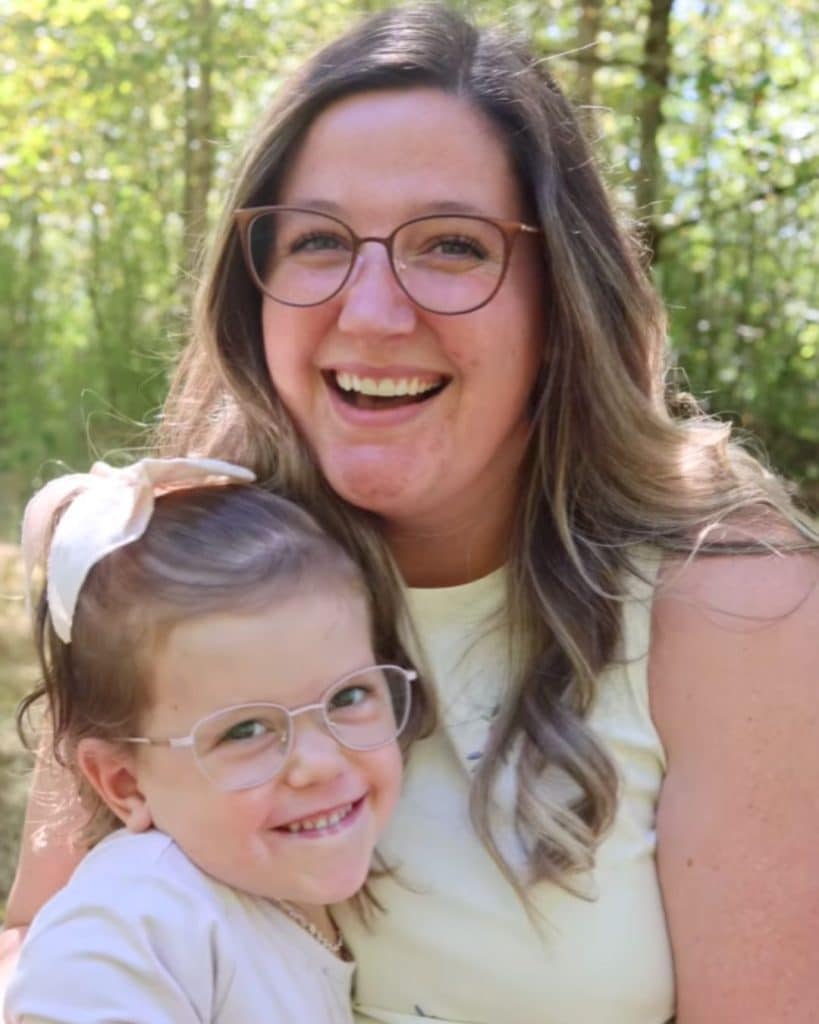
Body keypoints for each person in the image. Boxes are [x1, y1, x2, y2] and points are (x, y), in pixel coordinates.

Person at [3, 4, 818, 1021]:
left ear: (562, 299)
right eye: (318, 242)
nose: (376, 310)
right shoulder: (169, 565)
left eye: (451, 246)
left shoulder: (728, 593)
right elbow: (43, 936)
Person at [4, 457, 429, 1023]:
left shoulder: (277, 896)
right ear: (125, 783)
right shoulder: (135, 920)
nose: (320, 764)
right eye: (246, 730)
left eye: (347, 698)